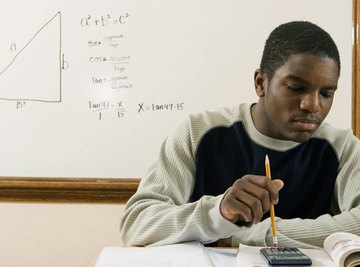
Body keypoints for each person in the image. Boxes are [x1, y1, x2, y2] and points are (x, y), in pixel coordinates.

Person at [120, 21, 360, 248]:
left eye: (327, 93)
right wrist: (218, 212)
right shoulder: (198, 130)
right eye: (296, 88)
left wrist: (242, 235)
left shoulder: (343, 147)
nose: (313, 105)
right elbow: (137, 223)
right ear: (260, 82)